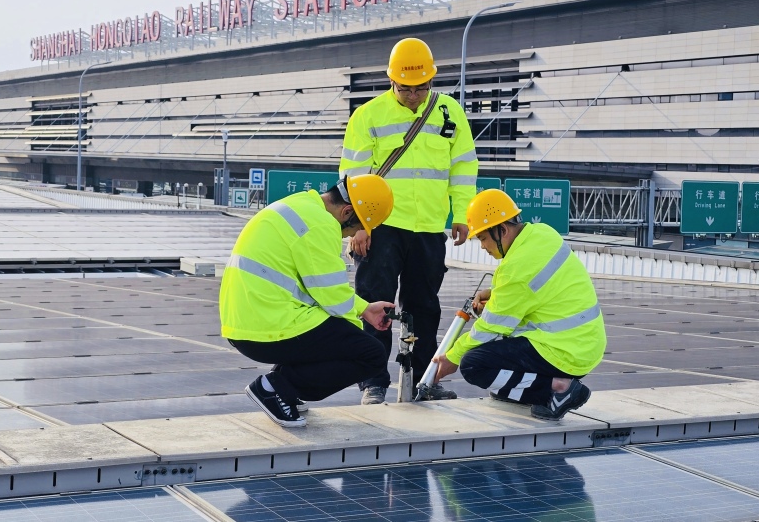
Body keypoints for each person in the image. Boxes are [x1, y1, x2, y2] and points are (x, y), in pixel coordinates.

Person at [340, 37, 478, 405]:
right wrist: (359, 227)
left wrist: (462, 214)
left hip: (429, 229)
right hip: (381, 228)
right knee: (374, 303)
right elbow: (353, 177)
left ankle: (422, 381)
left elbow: (463, 168)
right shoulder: (368, 116)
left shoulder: (449, 112)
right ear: (392, 81)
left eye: (421, 88)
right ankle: (372, 381)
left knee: (424, 308)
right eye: (406, 89)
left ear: (431, 81)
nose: (414, 95)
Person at [220, 174, 396, 427]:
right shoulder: (320, 224)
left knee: (335, 336)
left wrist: (365, 308)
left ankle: (284, 388)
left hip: (251, 321)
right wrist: (356, 333)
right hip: (267, 326)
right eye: (354, 230)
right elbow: (334, 299)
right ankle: (275, 388)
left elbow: (320, 289)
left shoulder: (301, 206)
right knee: (370, 353)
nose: (350, 236)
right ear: (347, 212)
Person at [430, 189, 606, 421]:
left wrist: (453, 356)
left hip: (565, 352)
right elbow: (536, 290)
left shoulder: (516, 269)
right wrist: (496, 295)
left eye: (483, 237)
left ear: (502, 230)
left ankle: (560, 388)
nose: (482, 246)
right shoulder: (542, 233)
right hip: (585, 343)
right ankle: (526, 390)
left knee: (474, 364)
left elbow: (489, 329)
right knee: (502, 350)